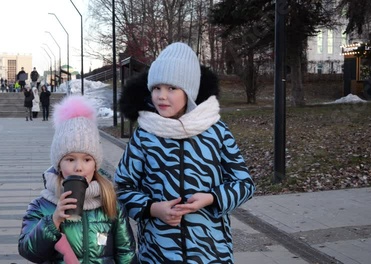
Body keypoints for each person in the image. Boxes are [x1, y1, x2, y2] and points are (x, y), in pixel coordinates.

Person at [114, 42, 255, 263]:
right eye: (157, 88)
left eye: (172, 88)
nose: (161, 96)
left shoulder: (216, 131)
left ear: (188, 91)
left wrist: (212, 198)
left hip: (211, 253)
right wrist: (153, 208)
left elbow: (244, 184)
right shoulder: (144, 135)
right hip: (157, 253)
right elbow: (123, 187)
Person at [18, 95, 136, 263]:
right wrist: (53, 221)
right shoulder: (41, 206)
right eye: (70, 159)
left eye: (87, 160)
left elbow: (126, 253)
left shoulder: (110, 203)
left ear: (95, 165)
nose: (79, 167)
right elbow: (28, 251)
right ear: (59, 165)